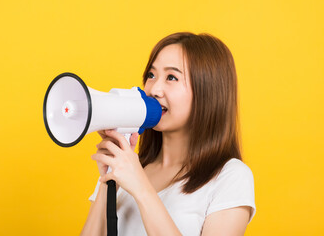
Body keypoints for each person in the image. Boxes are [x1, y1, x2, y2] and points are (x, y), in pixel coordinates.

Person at [81, 32, 256, 236]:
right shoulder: (128, 167)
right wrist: (108, 182)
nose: (155, 89)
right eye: (151, 75)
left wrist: (141, 187)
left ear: (207, 92)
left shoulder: (231, 177)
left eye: (171, 77)